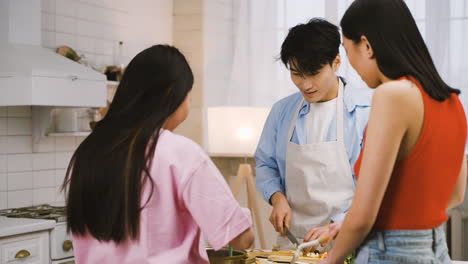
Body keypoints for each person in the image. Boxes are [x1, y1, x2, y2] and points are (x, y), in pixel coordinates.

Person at [62, 45, 254, 264]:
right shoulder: (181, 153)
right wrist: (241, 215)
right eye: (189, 96)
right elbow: (241, 239)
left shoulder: (88, 152)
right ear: (173, 96)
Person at [321, 0, 467, 263]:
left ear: (366, 45)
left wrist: (332, 259)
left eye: (347, 48)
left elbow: (363, 214)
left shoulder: (392, 95)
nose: (349, 65)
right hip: (436, 249)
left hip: (391, 251)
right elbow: (455, 195)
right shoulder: (452, 101)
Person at [255, 18, 372, 249]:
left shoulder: (367, 111)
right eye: (297, 74)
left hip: (348, 239)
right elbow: (265, 163)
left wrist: (338, 224)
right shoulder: (282, 111)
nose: (305, 84)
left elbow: (373, 185)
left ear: (336, 62)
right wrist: (276, 198)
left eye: (313, 73)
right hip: (293, 242)